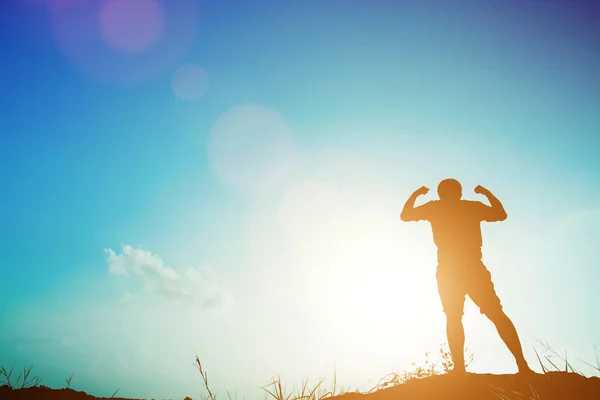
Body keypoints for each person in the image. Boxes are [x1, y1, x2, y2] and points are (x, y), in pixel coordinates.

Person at [400, 178, 531, 374]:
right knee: (494, 314)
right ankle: (521, 365)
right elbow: (501, 214)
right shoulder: (470, 207)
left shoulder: (435, 207)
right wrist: (486, 192)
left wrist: (417, 193)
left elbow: (405, 215)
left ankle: (461, 369)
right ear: (459, 192)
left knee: (456, 317)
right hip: (468, 268)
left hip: (452, 270)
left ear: (440, 193)